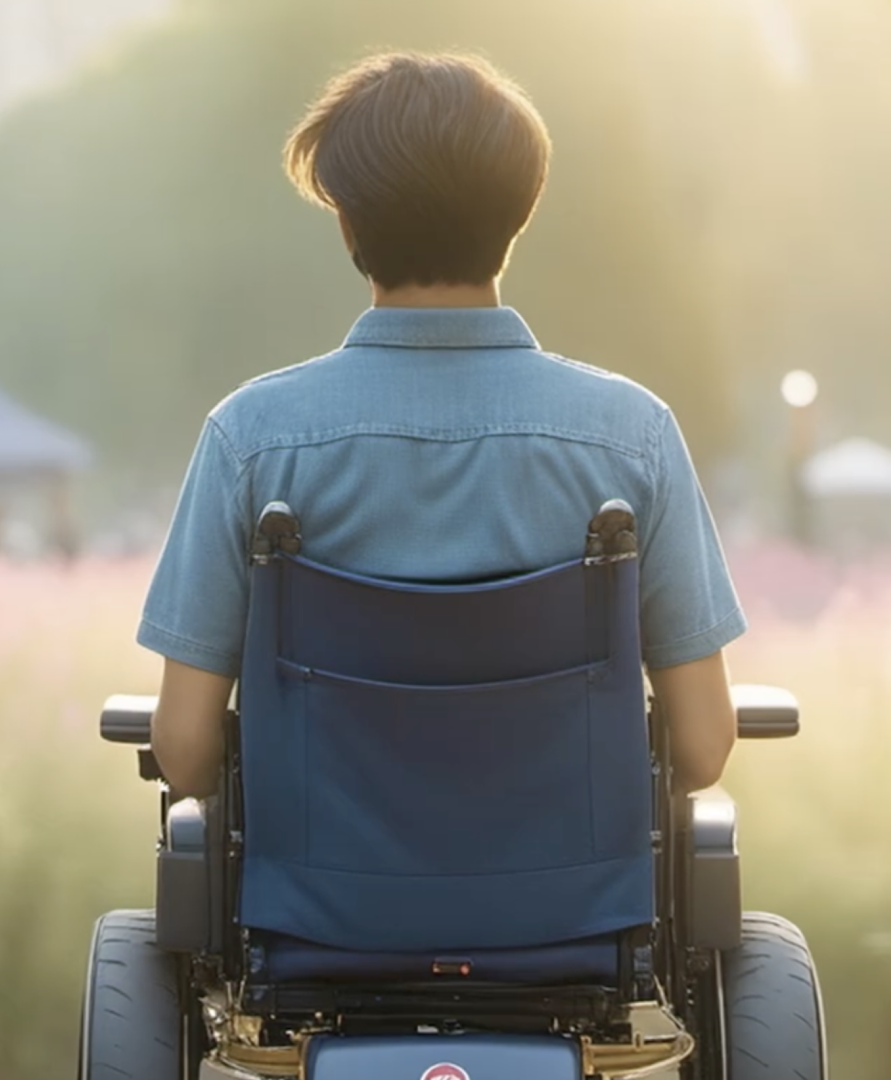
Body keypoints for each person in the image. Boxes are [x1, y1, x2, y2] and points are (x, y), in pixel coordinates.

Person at [137, 51, 748, 802]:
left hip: (317, 914)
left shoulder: (250, 441)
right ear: (517, 213)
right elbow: (703, 744)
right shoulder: (632, 438)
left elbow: (186, 750)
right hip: (572, 911)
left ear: (347, 224)